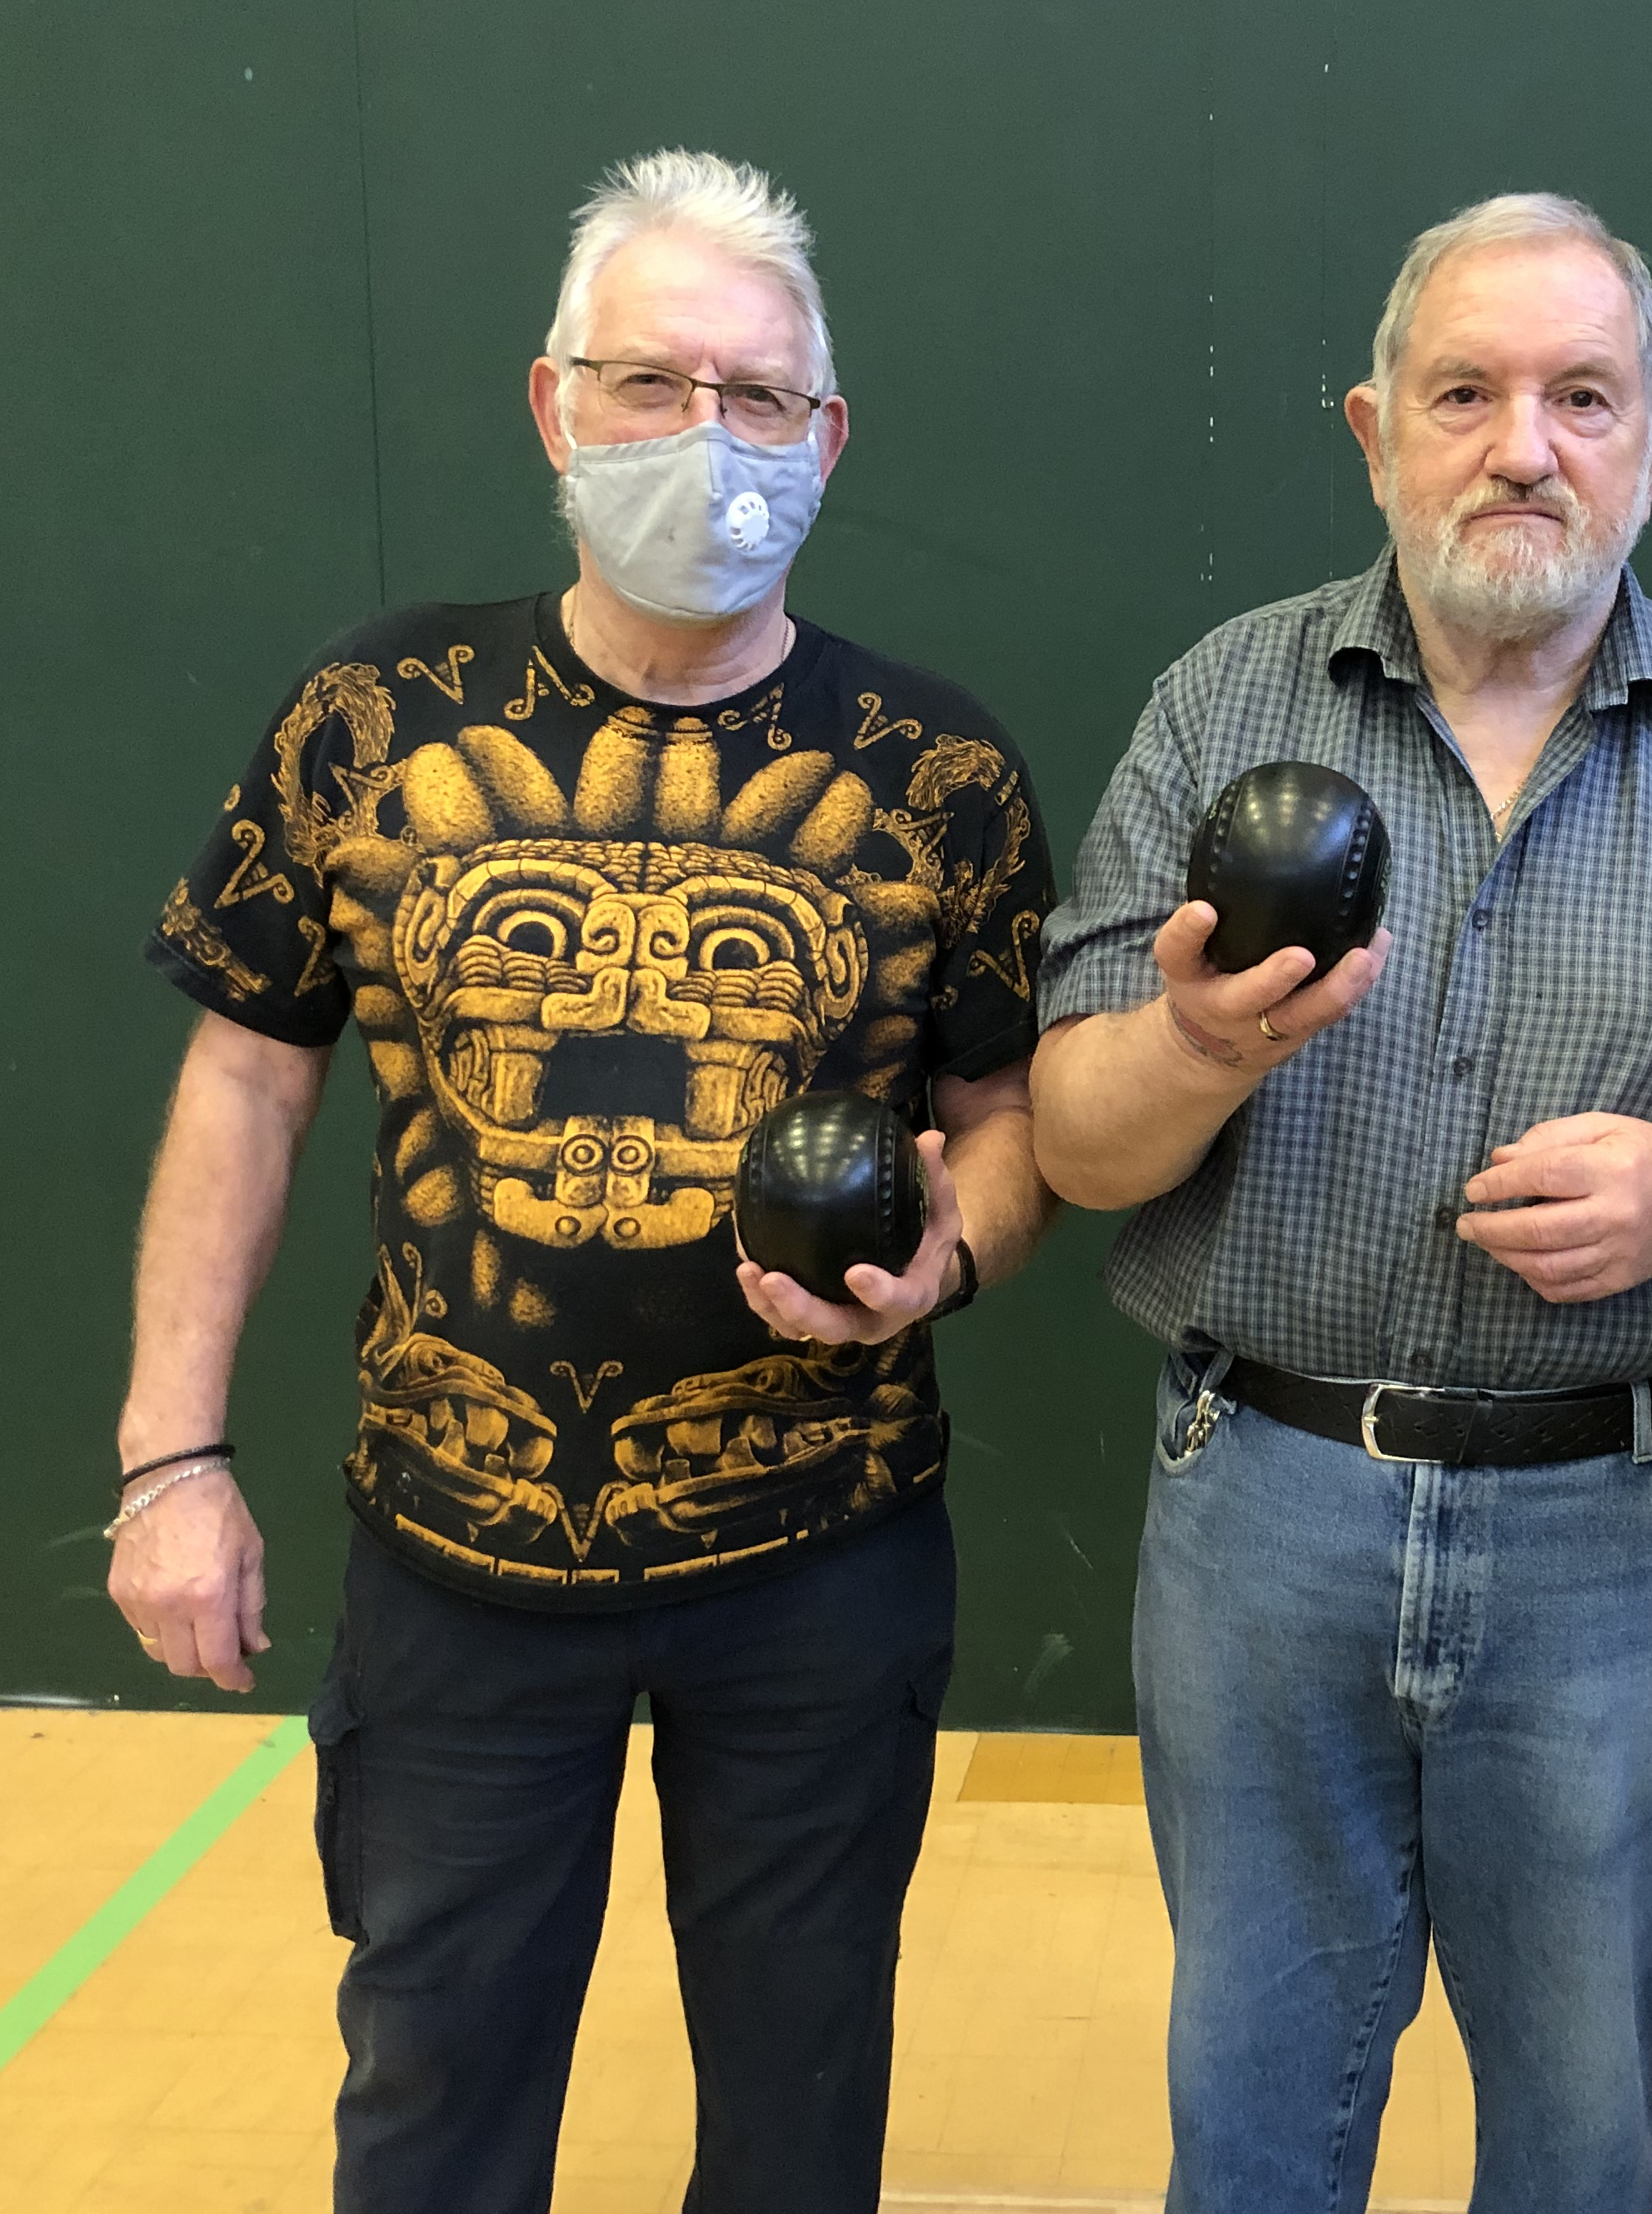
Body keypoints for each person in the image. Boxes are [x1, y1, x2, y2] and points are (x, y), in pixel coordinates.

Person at [108, 149, 1056, 2213]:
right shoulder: (369, 716)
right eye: (650, 383)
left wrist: (952, 1250)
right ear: (554, 404)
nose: (704, 437)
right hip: (457, 1567)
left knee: (800, 2114)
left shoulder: (944, 773)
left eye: (759, 395)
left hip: (822, 1553)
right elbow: (244, 1086)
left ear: (826, 439)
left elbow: (1010, 1117)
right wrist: (169, 1453)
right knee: (434, 2099)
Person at [1030, 192, 1652, 2212]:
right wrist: (1195, 1042)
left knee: (1576, 2125)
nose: (1520, 443)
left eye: (1579, 394)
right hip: (1263, 1508)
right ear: (1372, 429)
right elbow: (1081, 1144)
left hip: (1643, 1532)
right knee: (1253, 2112)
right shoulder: (1216, 709)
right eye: (1464, 392)